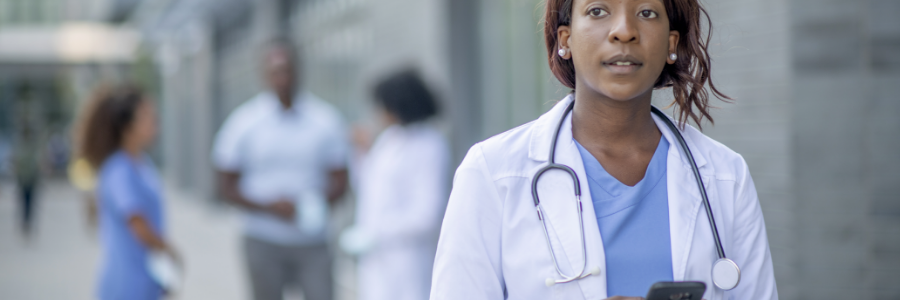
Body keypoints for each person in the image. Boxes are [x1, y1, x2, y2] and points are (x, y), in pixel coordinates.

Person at [430, 0, 778, 299]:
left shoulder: (724, 175)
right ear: (565, 39)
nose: (624, 31)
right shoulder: (494, 173)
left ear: (671, 43)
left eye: (646, 12)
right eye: (598, 11)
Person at [212, 39, 349, 300]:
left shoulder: (325, 120)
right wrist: (269, 207)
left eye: (287, 69)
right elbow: (226, 185)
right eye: (275, 71)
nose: (282, 78)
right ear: (263, 74)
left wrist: (308, 206)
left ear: (299, 70)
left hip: (313, 240)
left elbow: (341, 182)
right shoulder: (243, 123)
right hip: (262, 238)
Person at [341, 70, 449, 300]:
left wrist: (377, 232)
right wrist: (359, 153)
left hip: (407, 261)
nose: (379, 113)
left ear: (399, 105)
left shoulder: (429, 145)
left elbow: (427, 215)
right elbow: (369, 186)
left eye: (383, 106)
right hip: (377, 261)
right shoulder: (389, 139)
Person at [77, 85, 179, 300]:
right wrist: (170, 251)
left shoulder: (141, 163)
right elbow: (137, 223)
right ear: (127, 126)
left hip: (146, 277)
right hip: (126, 283)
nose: (154, 121)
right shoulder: (118, 169)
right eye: (147, 116)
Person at [13, 122, 42, 237]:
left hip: (30, 178)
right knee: (25, 202)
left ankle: (27, 223)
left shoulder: (31, 146)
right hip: (24, 178)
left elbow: (37, 164)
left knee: (29, 202)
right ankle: (25, 223)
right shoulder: (22, 146)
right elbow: (17, 164)